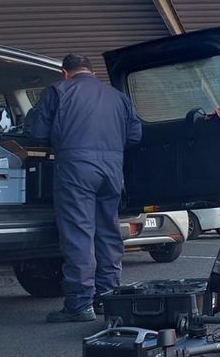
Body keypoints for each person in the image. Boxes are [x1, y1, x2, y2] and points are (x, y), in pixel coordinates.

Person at [29, 54, 143, 323]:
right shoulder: (117, 97)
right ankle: (108, 297)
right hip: (112, 170)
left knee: (79, 233)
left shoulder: (58, 90)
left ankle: (80, 304)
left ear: (65, 72)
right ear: (91, 72)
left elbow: (37, 132)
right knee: (108, 233)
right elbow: (135, 135)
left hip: (76, 168)